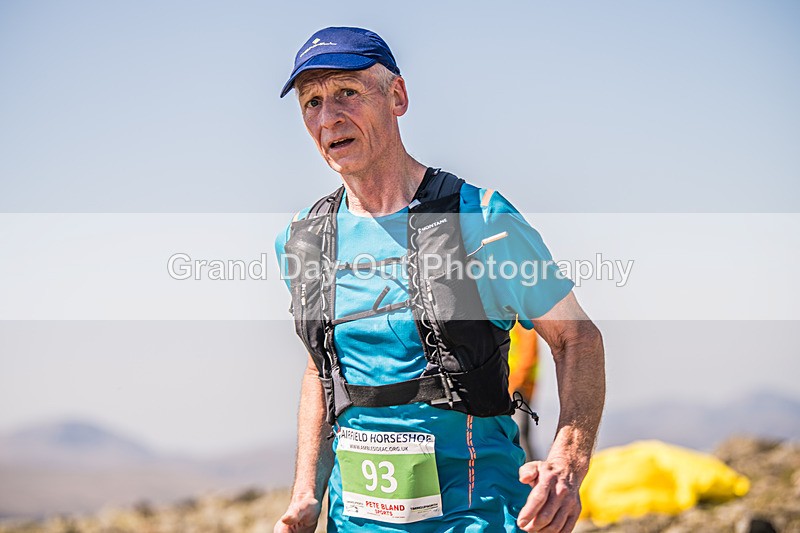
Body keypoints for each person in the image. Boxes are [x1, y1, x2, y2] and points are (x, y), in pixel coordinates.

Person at [273, 26, 605, 533]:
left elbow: (576, 338)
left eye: (347, 92)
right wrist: (306, 497)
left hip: (479, 515)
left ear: (397, 96)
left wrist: (567, 463)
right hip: (355, 522)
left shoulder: (482, 219)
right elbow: (322, 370)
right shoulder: (304, 239)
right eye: (311, 102)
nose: (329, 117)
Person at [508, 322, 541, 462]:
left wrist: (513, 384)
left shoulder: (521, 324)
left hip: (515, 390)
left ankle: (529, 479)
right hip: (509, 388)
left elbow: (527, 357)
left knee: (519, 435)